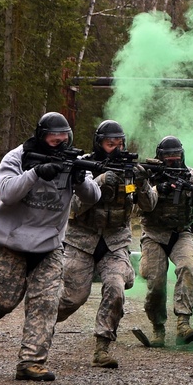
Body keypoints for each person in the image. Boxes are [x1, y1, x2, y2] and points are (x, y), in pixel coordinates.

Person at [0, 112, 101, 382]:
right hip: (12, 242)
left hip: (49, 245)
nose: (59, 143)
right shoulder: (17, 158)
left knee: (45, 303)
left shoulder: (75, 160)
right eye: (53, 139)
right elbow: (8, 194)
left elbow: (93, 196)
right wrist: (36, 173)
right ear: (41, 136)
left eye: (64, 139)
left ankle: (31, 362)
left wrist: (81, 179)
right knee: (2, 300)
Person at [56, 120, 157, 368]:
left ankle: (102, 347)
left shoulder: (128, 170)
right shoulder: (83, 166)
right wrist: (99, 181)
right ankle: (40, 325)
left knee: (115, 287)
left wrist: (142, 182)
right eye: (110, 144)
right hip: (82, 240)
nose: (116, 148)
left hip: (115, 242)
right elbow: (73, 208)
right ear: (99, 143)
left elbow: (149, 206)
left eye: (119, 144)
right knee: (73, 298)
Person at [138, 135, 193, 346]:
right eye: (168, 156)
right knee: (156, 283)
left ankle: (183, 323)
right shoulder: (149, 175)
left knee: (188, 267)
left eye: (177, 155)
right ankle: (158, 328)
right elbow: (137, 206)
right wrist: (155, 190)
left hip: (182, 233)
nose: (173, 160)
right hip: (154, 234)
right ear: (160, 156)